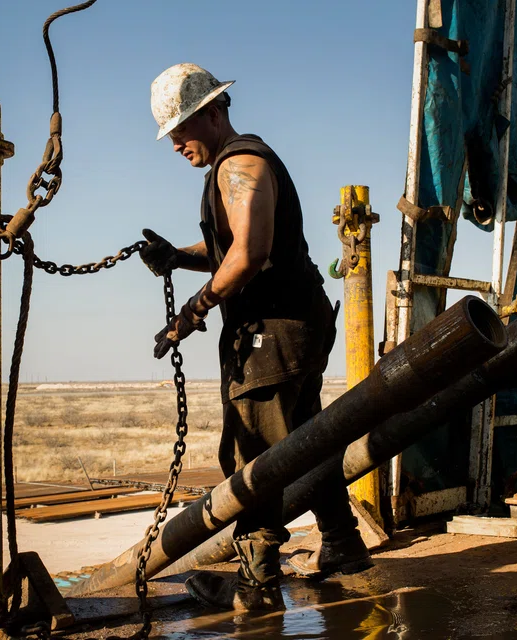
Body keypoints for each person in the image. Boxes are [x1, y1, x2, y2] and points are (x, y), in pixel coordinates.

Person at [139, 63, 373, 612]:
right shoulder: (239, 164)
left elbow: (248, 254)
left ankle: (258, 584)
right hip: (296, 326)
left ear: (212, 112)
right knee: (307, 441)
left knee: (256, 455)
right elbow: (235, 248)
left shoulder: (239, 165)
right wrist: (177, 256)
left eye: (180, 128)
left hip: (272, 334)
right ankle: (342, 543)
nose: (175, 144)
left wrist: (191, 313)